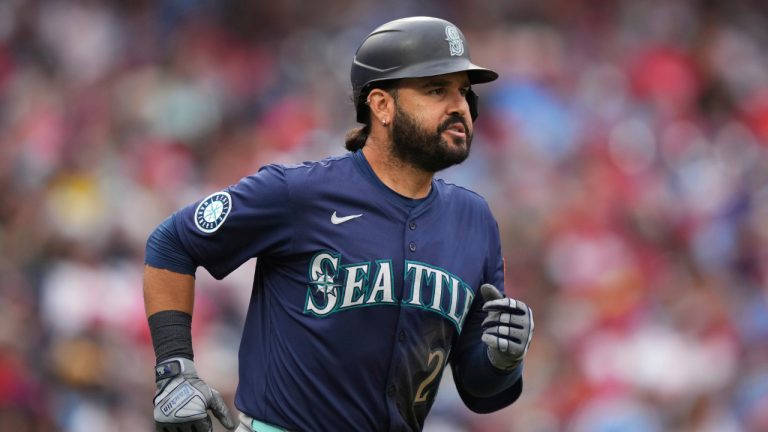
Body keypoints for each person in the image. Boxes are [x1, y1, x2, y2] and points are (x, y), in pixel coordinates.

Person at [144, 16, 534, 432]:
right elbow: (172, 244)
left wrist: (502, 360)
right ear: (382, 105)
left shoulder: (475, 221)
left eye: (463, 91)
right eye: (436, 89)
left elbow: (479, 391)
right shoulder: (299, 193)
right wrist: (175, 368)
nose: (459, 106)